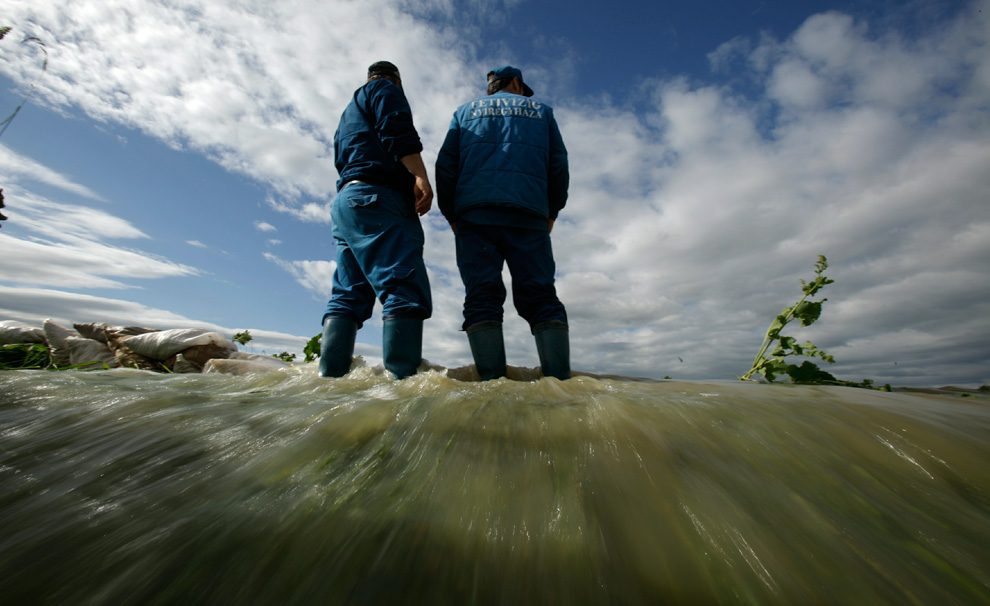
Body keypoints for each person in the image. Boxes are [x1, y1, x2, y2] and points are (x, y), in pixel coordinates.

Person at [436, 65, 571, 380]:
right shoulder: (543, 112)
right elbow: (559, 165)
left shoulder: (463, 112)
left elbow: (446, 164)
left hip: (475, 216)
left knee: (482, 295)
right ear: (515, 82)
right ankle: (562, 391)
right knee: (540, 296)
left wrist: (452, 214)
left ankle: (491, 391)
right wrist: (552, 211)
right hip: (529, 214)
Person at [320, 61, 433, 379]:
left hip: (347, 203)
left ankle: (328, 380)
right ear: (397, 81)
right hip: (378, 199)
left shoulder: (347, 113)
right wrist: (419, 175)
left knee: (347, 293)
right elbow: (396, 129)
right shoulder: (384, 90)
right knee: (402, 285)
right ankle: (403, 388)